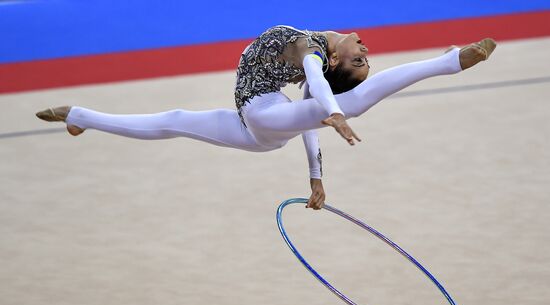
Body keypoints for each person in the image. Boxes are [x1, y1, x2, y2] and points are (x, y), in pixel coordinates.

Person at [36, 25, 496, 210]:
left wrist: (317, 173)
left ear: (335, 63)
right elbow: (313, 99)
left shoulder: (315, 54)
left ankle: (450, 61)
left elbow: (311, 97)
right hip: (257, 117)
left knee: (174, 119)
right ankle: (81, 116)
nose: (365, 49)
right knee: (172, 119)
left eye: (360, 60)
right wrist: (331, 113)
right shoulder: (313, 51)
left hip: (262, 124)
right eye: (362, 57)